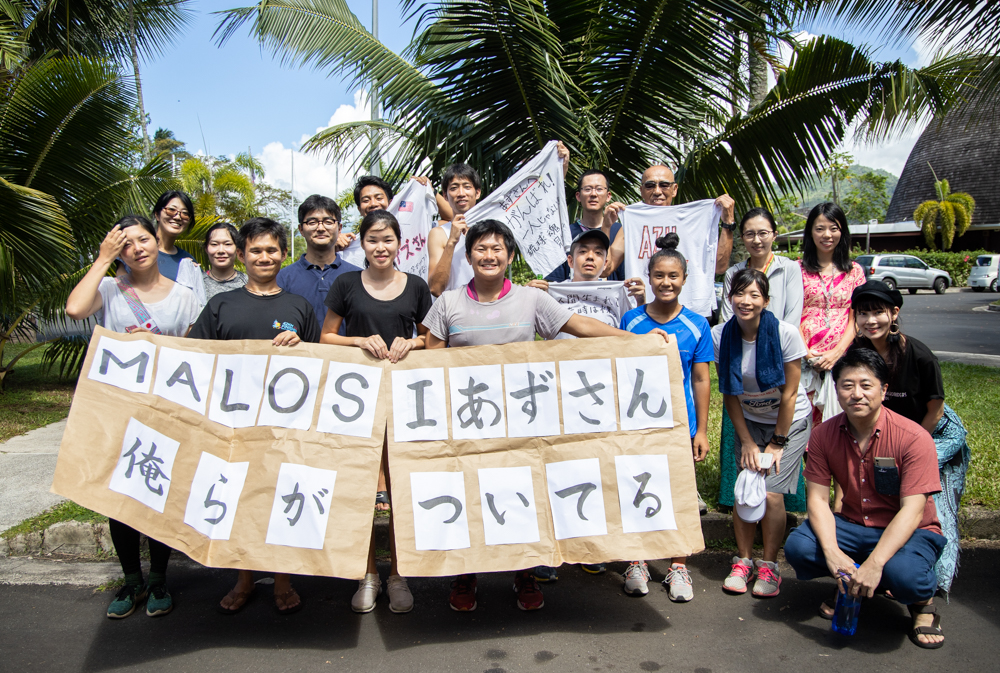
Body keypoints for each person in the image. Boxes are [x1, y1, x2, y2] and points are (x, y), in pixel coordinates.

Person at [422, 219, 671, 611]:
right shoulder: (448, 303)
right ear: (468, 257)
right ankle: (465, 574)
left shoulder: (531, 300)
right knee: (468, 493)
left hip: (521, 420)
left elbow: (580, 325)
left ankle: (524, 572)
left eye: (497, 248)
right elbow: (429, 357)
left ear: (510, 256)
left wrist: (635, 339)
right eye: (481, 249)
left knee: (520, 493)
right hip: (467, 421)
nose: (489, 255)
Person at [66, 215, 202, 619]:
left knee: (159, 491)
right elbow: (75, 309)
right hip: (119, 408)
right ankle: (131, 581)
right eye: (125, 245)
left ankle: (158, 579)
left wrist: (155, 343)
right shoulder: (110, 289)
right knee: (121, 497)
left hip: (167, 407)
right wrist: (102, 260)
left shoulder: (184, 296)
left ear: (157, 241)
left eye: (143, 239)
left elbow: (195, 352)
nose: (137, 249)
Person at [189, 217, 320, 616]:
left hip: (285, 425)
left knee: (281, 497)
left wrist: (301, 344)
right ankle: (244, 578)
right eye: (256, 250)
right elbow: (196, 359)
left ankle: (282, 580)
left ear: (284, 254)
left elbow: (321, 366)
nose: (264, 257)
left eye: (272, 250)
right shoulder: (220, 305)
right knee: (239, 500)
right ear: (242, 256)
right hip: (233, 425)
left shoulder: (299, 307)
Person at [784, 348, 947, 649]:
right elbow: (817, 500)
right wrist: (832, 553)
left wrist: (876, 563)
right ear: (836, 390)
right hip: (852, 524)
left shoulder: (913, 437)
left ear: (883, 390)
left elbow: (913, 510)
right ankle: (851, 581)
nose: (856, 394)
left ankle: (922, 603)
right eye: (847, 385)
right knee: (799, 547)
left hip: (909, 529)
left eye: (866, 385)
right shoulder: (822, 435)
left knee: (906, 576)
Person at [320, 210, 433, 615]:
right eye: (372, 240)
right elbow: (326, 336)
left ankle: (399, 575)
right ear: (362, 244)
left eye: (387, 240)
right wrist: (356, 341)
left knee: (401, 489)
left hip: (405, 401)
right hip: (356, 402)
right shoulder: (346, 283)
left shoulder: (416, 286)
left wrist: (411, 343)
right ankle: (367, 574)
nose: (380, 247)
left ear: (399, 243)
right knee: (361, 488)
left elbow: (432, 339)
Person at [525, 227, 644, 582]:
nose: (590, 257)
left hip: (602, 397)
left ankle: (591, 545)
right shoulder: (546, 294)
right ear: (570, 259)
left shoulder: (622, 294)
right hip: (557, 395)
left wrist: (640, 298)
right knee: (555, 468)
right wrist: (529, 296)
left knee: (597, 468)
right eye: (583, 251)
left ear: (607, 262)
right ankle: (551, 550)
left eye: (598, 253)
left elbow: (635, 336)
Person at [850, 280, 970, 596]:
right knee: (886, 495)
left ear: (894, 313)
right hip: (890, 435)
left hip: (933, 432)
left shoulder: (919, 355)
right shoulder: (857, 352)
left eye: (878, 312)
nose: (870, 320)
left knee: (930, 507)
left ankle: (929, 587)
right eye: (863, 313)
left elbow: (936, 410)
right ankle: (885, 570)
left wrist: (911, 448)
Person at [618, 233, 713, 601]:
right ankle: (637, 560)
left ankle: (678, 565)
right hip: (637, 426)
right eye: (659, 275)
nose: (666, 282)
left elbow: (701, 379)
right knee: (637, 489)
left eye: (673, 276)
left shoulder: (697, 324)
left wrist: (701, 430)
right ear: (649, 277)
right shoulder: (630, 320)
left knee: (679, 495)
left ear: (685, 279)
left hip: (679, 426)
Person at [713, 268, 811, 598]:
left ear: (766, 301)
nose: (746, 301)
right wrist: (746, 441)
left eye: (754, 295)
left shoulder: (785, 334)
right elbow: (729, 393)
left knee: (770, 492)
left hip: (789, 421)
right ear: (730, 298)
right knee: (745, 487)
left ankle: (769, 565)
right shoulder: (720, 336)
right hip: (750, 420)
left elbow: (790, 394)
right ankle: (743, 561)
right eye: (740, 294)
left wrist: (777, 443)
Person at [718, 209, 805, 512]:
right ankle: (737, 500)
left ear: (774, 235)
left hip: (779, 355)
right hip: (739, 354)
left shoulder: (788, 268)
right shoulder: (734, 272)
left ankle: (782, 504)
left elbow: (793, 315)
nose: (757, 239)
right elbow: (728, 317)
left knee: (781, 444)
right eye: (750, 234)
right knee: (744, 442)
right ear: (742, 237)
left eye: (763, 233)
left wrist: (768, 343)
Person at [427, 143, 570, 296]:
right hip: (455, 310)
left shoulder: (496, 225)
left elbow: (537, 201)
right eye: (454, 188)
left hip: (494, 309)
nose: (461, 193)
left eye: (467, 187)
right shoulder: (439, 234)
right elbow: (435, 289)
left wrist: (561, 166)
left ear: (477, 192)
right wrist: (451, 242)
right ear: (445, 195)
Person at [604, 165, 737, 293]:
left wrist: (728, 223)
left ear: (674, 189)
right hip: (644, 305)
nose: (657, 191)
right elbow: (605, 270)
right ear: (642, 190)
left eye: (664, 185)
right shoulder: (632, 224)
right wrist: (606, 227)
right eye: (650, 185)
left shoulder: (694, 220)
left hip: (689, 306)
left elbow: (719, 267)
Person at [798, 202, 866, 395]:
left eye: (833, 229)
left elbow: (857, 318)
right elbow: (791, 315)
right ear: (810, 232)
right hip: (804, 358)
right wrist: (807, 354)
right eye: (820, 229)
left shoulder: (854, 271)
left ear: (842, 232)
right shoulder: (796, 270)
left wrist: (837, 353)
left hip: (844, 357)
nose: (827, 235)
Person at [276, 194, 362, 330]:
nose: (321, 228)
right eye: (312, 222)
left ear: (339, 228)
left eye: (328, 222)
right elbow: (276, 323)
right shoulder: (282, 278)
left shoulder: (359, 276)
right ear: (301, 229)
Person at [544, 169, 626, 282]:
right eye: (587, 189)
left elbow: (617, 275)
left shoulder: (620, 231)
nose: (593, 194)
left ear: (608, 196)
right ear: (578, 196)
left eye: (599, 189)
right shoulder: (564, 234)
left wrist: (607, 226)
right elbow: (554, 282)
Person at [150, 190, 206, 307]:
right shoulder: (140, 251)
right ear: (157, 214)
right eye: (171, 210)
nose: (178, 217)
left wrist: (190, 272)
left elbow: (196, 302)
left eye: (185, 213)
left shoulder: (188, 260)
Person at [202, 222, 247, 301]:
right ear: (206, 249)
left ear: (238, 249)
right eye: (214, 244)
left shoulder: (248, 283)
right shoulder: (198, 283)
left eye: (227, 244)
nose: (221, 251)